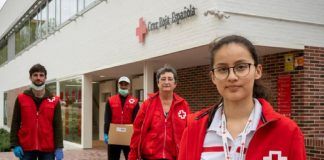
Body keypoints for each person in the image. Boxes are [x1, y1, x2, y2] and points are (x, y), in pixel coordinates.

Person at [178, 35, 306, 160]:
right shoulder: (193, 129)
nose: (232, 77)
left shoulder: (287, 131)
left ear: (257, 71)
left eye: (241, 67)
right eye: (222, 69)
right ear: (213, 77)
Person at [129, 65, 191, 160]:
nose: (166, 82)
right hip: (150, 157)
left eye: (170, 79)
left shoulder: (183, 105)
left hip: (175, 157)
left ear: (175, 84)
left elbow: (188, 132)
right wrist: (132, 156)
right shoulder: (147, 104)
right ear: (158, 83)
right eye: (163, 79)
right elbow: (137, 131)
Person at [10, 63, 64, 160]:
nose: (38, 78)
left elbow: (58, 125)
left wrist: (59, 147)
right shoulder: (21, 98)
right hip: (26, 148)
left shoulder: (54, 100)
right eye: (35, 75)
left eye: (41, 75)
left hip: (48, 148)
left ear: (45, 78)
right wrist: (14, 144)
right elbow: (15, 122)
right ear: (30, 77)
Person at [104, 76, 140, 160]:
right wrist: (106, 133)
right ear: (118, 85)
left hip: (129, 137)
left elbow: (137, 121)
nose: (123, 86)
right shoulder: (110, 100)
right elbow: (107, 118)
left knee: (130, 158)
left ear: (129, 86)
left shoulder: (134, 102)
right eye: (121, 84)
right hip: (114, 136)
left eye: (126, 84)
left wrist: (137, 136)